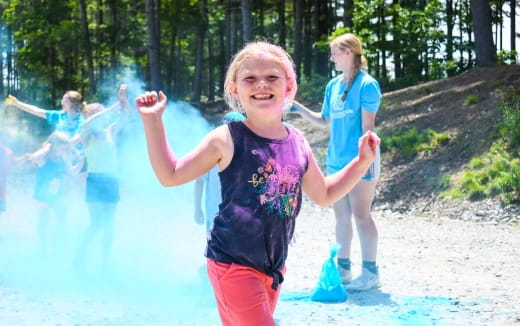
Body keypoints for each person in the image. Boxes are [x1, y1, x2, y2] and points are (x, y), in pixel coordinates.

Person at [135, 40, 380, 325]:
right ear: (235, 90)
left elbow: (324, 194)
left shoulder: (298, 142)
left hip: (273, 269)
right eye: (250, 78)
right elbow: (171, 174)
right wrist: (153, 122)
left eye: (272, 77)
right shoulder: (226, 138)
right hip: (232, 265)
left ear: (288, 87)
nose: (261, 84)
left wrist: (361, 162)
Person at [288, 33, 382, 291]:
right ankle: (343, 270)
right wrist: (299, 108)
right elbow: (325, 121)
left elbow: (368, 127)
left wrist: (366, 159)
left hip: (361, 159)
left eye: (335, 53)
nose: (331, 58)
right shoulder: (333, 86)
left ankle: (371, 273)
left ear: (349, 53)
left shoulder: (367, 85)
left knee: (361, 215)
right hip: (335, 160)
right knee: (341, 216)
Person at [73, 84, 130, 272]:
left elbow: (126, 115)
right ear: (88, 115)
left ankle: (105, 262)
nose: (100, 114)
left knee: (109, 225)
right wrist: (111, 108)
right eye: (95, 111)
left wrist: (122, 99)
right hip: (95, 180)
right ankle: (81, 253)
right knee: (96, 223)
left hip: (111, 180)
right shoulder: (86, 134)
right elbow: (87, 124)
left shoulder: (109, 132)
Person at [23, 131, 83, 254]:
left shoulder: (63, 157)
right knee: (44, 221)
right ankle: (43, 247)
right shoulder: (43, 158)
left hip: (57, 195)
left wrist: (81, 162)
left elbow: (71, 172)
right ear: (53, 145)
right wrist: (48, 146)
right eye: (59, 147)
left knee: (62, 218)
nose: (61, 150)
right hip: (41, 196)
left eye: (64, 148)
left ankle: (58, 244)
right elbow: (34, 157)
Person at [193, 111, 246, 232]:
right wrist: (197, 208)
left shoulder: (250, 155)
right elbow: (199, 182)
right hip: (215, 217)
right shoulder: (210, 154)